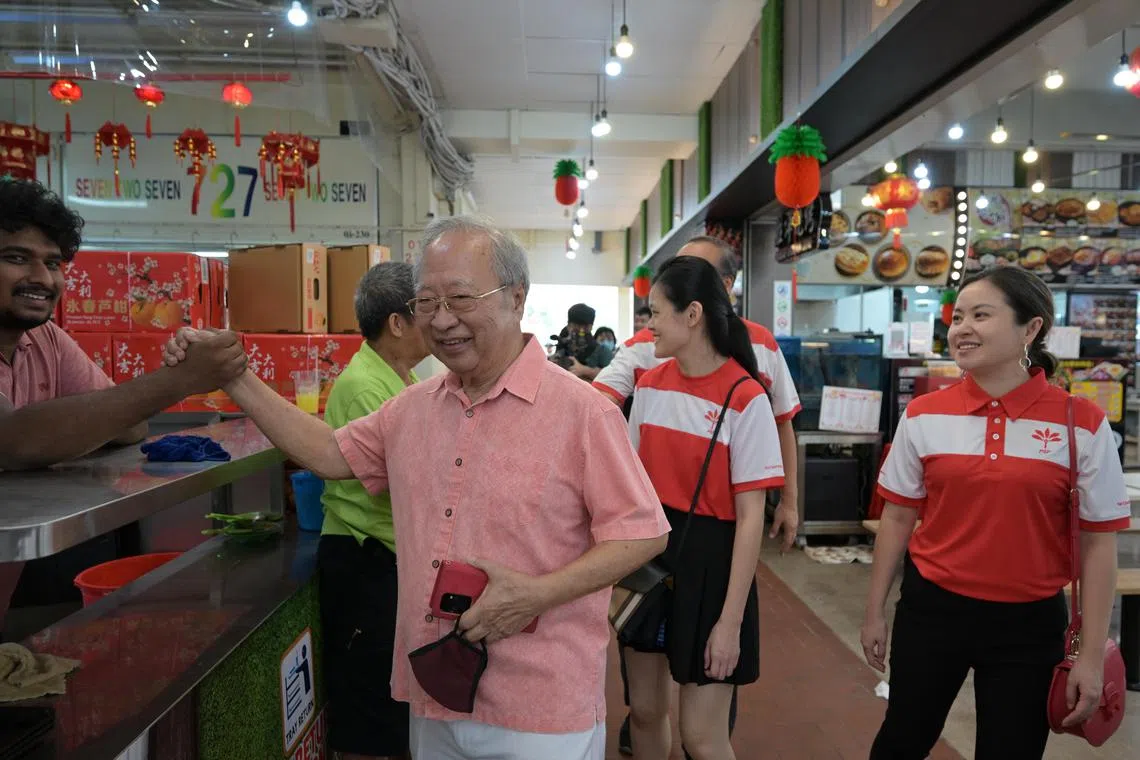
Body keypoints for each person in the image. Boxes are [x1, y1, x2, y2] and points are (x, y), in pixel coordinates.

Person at [165, 215, 669, 760]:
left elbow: (642, 535)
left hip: (539, 706)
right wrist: (234, 376)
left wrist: (537, 593)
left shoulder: (583, 414)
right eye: (427, 303)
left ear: (515, 298)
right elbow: (329, 453)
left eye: (460, 298)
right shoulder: (411, 410)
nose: (443, 320)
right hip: (434, 692)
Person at [862, 267, 1129, 759]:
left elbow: (1098, 543)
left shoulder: (1082, 422)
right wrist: (874, 611)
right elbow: (897, 517)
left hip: (1029, 625)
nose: (961, 328)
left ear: (1031, 329)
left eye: (981, 315)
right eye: (957, 316)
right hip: (931, 612)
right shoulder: (923, 414)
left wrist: (1090, 656)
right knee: (901, 741)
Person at [0, 178, 246, 634]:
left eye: (53, 263)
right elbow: (12, 441)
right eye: (17, 258)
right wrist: (182, 378)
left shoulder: (45, 339)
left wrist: (64, 430)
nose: (41, 278)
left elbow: (130, 427)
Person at [599, 236, 800, 754]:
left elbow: (750, 518)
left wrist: (730, 621)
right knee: (643, 712)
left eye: (656, 313)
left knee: (703, 735)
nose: (650, 327)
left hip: (714, 567)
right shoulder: (650, 385)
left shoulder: (746, 397)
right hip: (650, 556)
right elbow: (629, 484)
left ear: (693, 314)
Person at [319, 262, 428, 760]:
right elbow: (397, 482)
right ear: (398, 323)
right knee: (368, 702)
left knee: (390, 703)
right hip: (364, 557)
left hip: (388, 553)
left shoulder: (398, 376)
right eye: (427, 307)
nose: (439, 320)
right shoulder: (367, 387)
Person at [555, 303, 613, 381]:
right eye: (577, 325)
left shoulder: (602, 351)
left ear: (591, 327)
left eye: (585, 326)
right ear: (569, 325)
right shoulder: (563, 346)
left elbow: (611, 377)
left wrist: (585, 370)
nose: (581, 330)